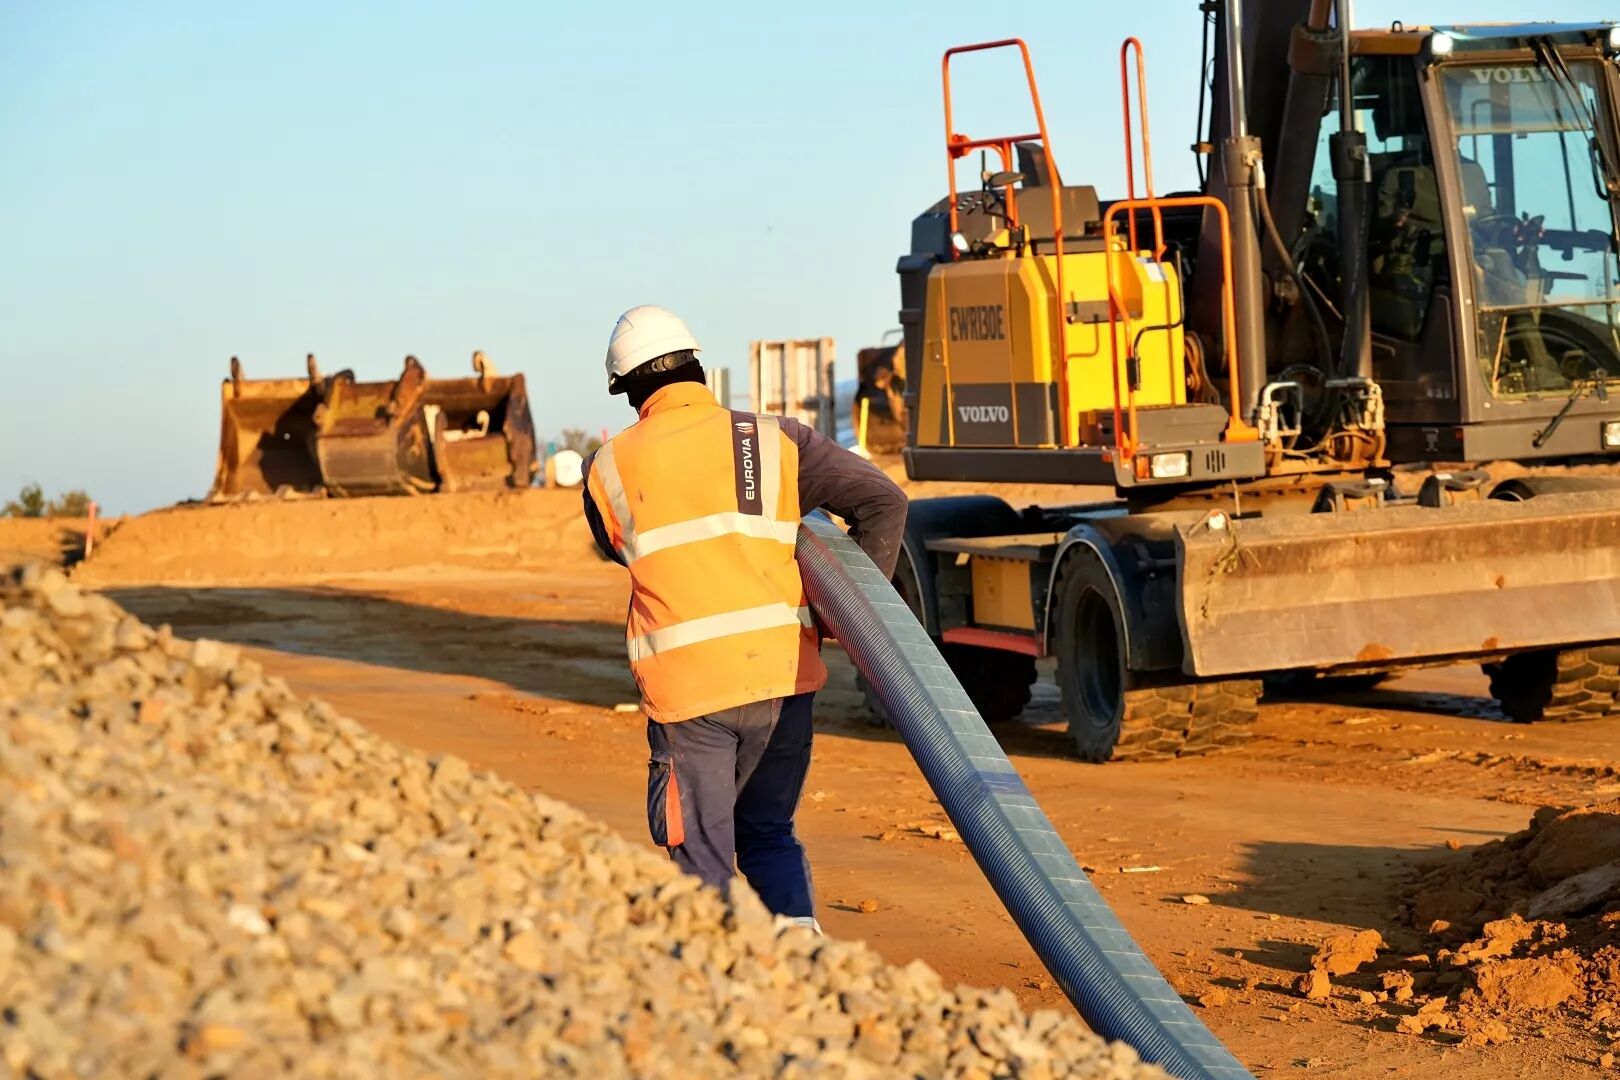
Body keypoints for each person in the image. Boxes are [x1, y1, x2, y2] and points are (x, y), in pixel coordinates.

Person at [581, 305, 908, 931]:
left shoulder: (607, 468)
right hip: (783, 680)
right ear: (698, 369)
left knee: (700, 855)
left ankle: (722, 992)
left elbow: (616, 545)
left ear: (630, 391)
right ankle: (804, 970)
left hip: (688, 696)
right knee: (768, 834)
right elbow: (882, 502)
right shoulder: (773, 440)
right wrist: (850, 623)